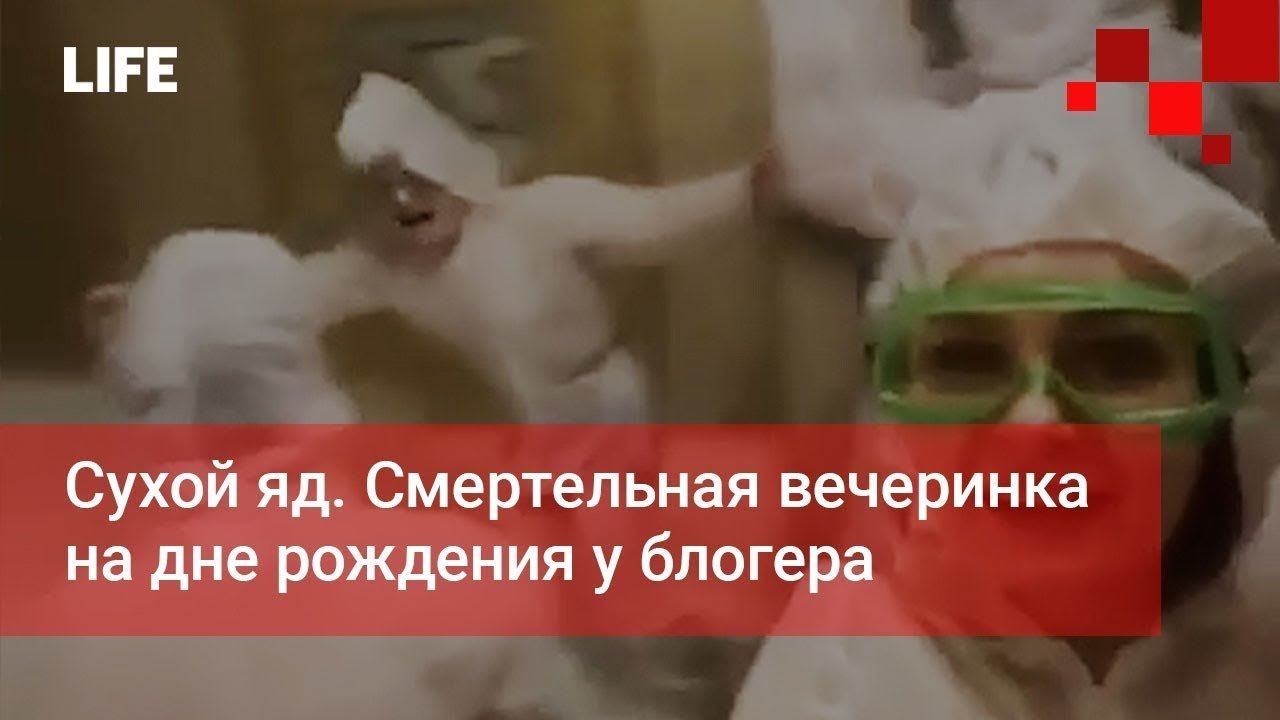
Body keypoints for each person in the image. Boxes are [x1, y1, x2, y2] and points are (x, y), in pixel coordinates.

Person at [731, 29, 1280, 720]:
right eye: (967, 363)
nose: (1033, 424)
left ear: (1231, 399)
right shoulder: (838, 688)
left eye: (1119, 360)